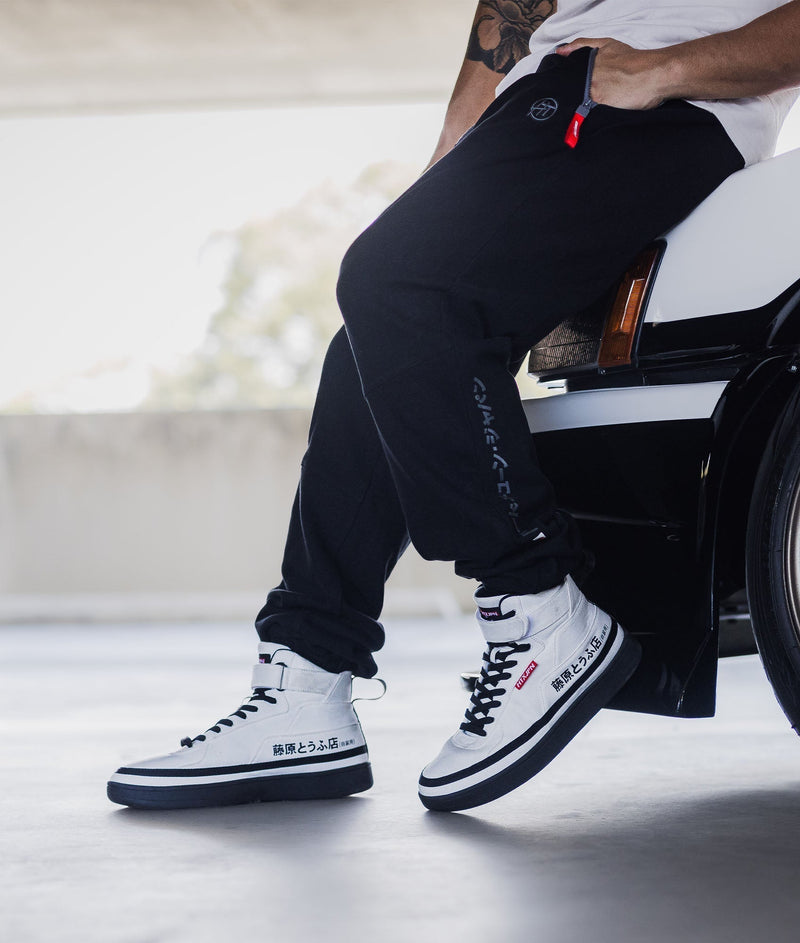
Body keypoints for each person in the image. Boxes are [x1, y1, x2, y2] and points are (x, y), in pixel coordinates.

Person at [108, 0, 800, 812]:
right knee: (380, 333)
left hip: (645, 100)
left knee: (396, 288)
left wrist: (664, 69)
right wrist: (453, 152)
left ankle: (541, 609)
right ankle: (307, 683)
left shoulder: (654, 74)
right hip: (551, 94)